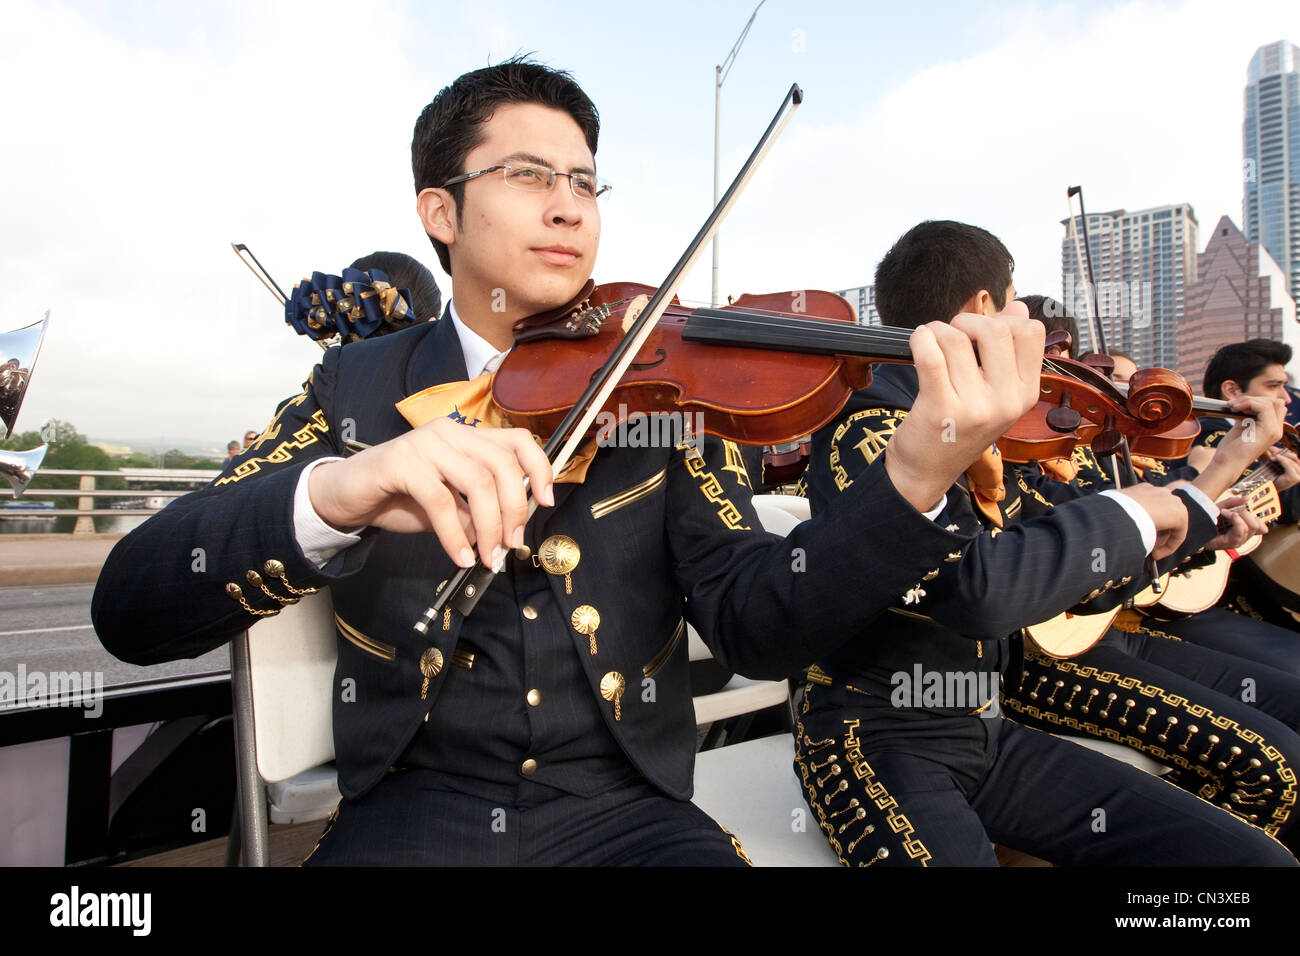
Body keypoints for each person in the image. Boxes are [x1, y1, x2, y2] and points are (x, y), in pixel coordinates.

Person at [90, 61, 1047, 866]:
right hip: (415, 815)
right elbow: (134, 606)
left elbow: (760, 625)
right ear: (442, 212)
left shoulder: (660, 388)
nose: (568, 208)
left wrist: (914, 476)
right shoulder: (354, 387)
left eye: (585, 184)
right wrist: (343, 491)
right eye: (527, 175)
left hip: (629, 815)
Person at [796, 219, 1296, 866]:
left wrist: (1195, 503)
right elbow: (978, 592)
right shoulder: (873, 428)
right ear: (983, 308)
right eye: (1014, 307)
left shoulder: (988, 427)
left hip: (984, 725)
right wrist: (1140, 512)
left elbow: (1068, 537)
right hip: (874, 738)